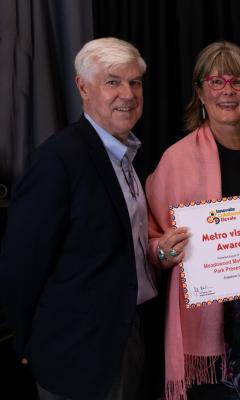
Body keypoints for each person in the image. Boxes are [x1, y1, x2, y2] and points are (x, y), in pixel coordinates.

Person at [0, 37, 156, 400]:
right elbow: (21, 267)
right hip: (76, 356)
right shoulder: (57, 161)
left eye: (135, 82)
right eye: (113, 81)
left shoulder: (127, 156)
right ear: (82, 86)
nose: (128, 94)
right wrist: (29, 344)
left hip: (126, 337)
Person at [145, 41, 240, 400]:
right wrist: (163, 251)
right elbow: (149, 239)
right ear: (199, 91)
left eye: (238, 82)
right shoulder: (176, 159)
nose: (227, 91)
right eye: (216, 81)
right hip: (214, 326)